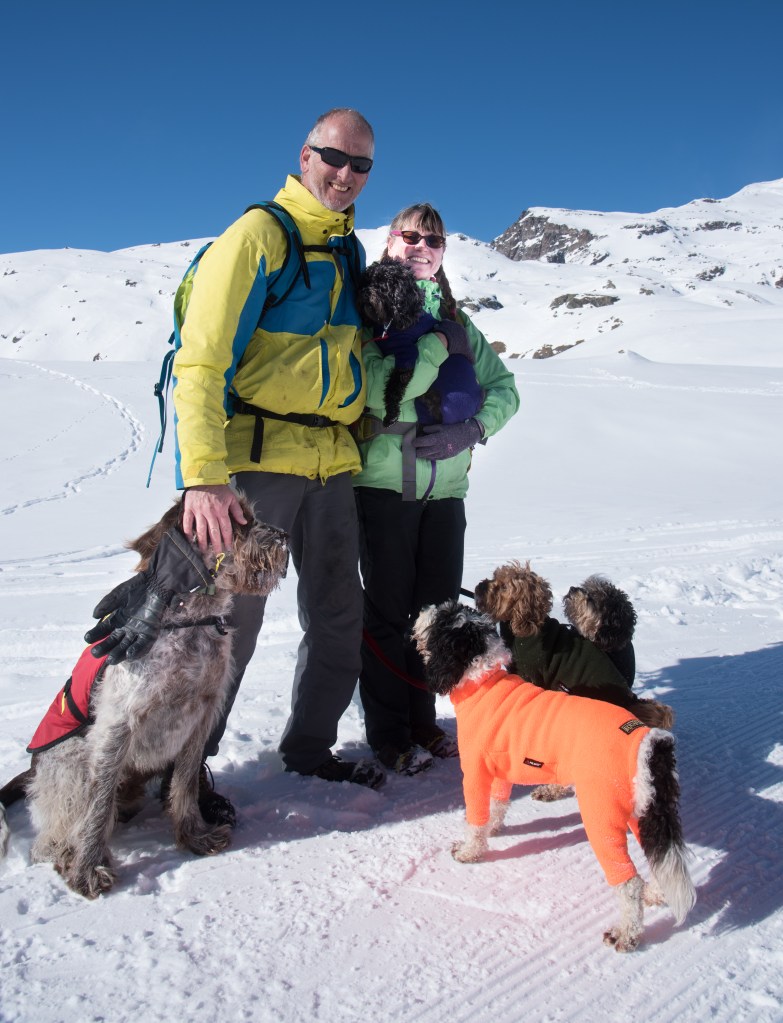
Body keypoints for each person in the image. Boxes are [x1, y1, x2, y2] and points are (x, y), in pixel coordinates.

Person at [91, 109, 384, 823]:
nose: (344, 175)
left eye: (360, 166)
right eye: (332, 158)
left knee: (339, 613)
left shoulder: (349, 254)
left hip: (330, 463)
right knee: (228, 626)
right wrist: (203, 475)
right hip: (252, 468)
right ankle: (183, 774)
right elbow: (201, 361)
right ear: (303, 155)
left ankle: (310, 748)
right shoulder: (259, 235)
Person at [353, 203, 520, 774]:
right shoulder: (368, 307)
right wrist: (434, 348)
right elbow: (379, 395)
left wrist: (472, 429)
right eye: (410, 236)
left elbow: (505, 388)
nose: (421, 246)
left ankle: (423, 720)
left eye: (433, 239)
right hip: (382, 488)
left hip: (446, 493)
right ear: (390, 242)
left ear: (443, 253)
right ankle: (388, 733)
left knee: (437, 615)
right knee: (386, 614)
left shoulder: (458, 320)